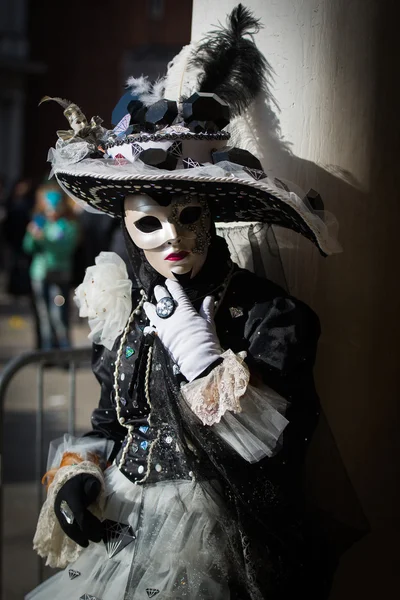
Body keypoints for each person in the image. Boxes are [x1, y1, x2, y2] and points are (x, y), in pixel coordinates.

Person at [27, 5, 343, 599]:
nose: (171, 239)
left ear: (215, 216)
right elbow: (110, 422)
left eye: (189, 217)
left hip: (211, 538)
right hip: (123, 522)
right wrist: (79, 474)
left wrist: (205, 367)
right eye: (150, 224)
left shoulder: (267, 316)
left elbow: (278, 453)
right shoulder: (127, 309)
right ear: (125, 224)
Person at [23, 183, 79, 349]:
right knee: (44, 316)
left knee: (59, 315)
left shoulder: (68, 225)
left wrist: (44, 239)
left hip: (59, 275)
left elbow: (65, 249)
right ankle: (46, 353)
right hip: (39, 275)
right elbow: (28, 247)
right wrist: (32, 236)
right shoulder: (39, 222)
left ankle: (64, 353)